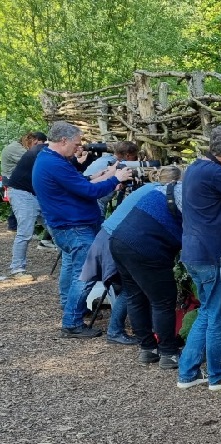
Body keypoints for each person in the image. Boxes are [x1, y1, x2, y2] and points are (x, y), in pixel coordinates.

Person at [33, 122, 132, 338]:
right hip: (74, 227)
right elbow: (87, 191)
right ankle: (72, 322)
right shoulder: (54, 164)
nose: (79, 148)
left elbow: (78, 182)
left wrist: (105, 175)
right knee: (85, 275)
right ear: (63, 141)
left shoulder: (50, 159)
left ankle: (69, 309)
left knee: (71, 268)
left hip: (68, 225)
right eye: (76, 144)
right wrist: (116, 178)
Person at [176, 125, 221, 390]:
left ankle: (187, 371)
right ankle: (217, 376)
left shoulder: (197, 167)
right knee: (219, 317)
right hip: (212, 254)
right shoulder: (217, 174)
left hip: (194, 252)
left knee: (207, 312)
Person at [107, 167, 185, 368]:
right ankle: (168, 353)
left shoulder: (159, 190)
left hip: (120, 239)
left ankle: (147, 349)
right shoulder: (191, 195)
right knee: (163, 301)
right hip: (147, 246)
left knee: (135, 296)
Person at [5, 132, 47, 280]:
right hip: (22, 192)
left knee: (54, 225)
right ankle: (17, 269)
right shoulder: (36, 152)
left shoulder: (37, 151)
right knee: (25, 232)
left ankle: (73, 258)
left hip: (34, 193)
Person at [84, 141, 139, 216]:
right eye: (135, 157)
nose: (135, 160)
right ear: (128, 155)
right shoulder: (118, 165)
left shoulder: (103, 159)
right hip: (94, 206)